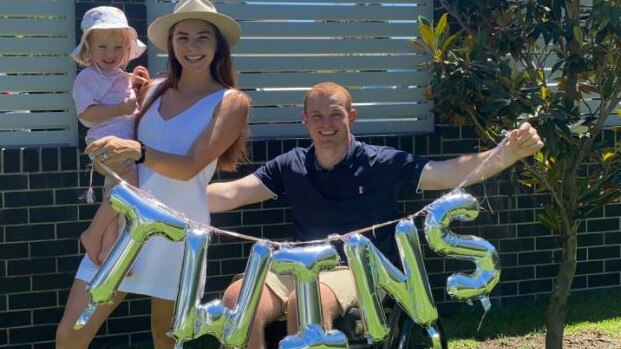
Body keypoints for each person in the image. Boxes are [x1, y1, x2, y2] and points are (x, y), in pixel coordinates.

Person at [207, 82, 544, 349]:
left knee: (306, 303)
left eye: (336, 114)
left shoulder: (381, 162)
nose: (327, 124)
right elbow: (232, 192)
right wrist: (159, 189)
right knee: (238, 299)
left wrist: (507, 153)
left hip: (360, 269)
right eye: (318, 116)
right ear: (305, 120)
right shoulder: (290, 165)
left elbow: (446, 173)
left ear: (351, 117)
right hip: (300, 265)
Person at [55, 0, 249, 348]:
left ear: (218, 44)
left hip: (178, 235)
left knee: (166, 337)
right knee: (70, 335)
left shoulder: (231, 101)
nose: (192, 47)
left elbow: (190, 166)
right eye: (183, 37)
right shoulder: (152, 89)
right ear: (171, 44)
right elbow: (106, 111)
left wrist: (138, 152)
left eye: (202, 37)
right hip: (122, 229)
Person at [70, 6, 148, 267]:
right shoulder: (87, 78)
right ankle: (92, 234)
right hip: (104, 144)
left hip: (122, 147)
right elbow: (87, 115)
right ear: (88, 48)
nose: (110, 54)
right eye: (102, 46)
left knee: (114, 196)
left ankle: (106, 251)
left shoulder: (123, 77)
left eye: (118, 47)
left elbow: (135, 108)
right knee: (128, 187)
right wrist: (120, 109)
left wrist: (139, 86)